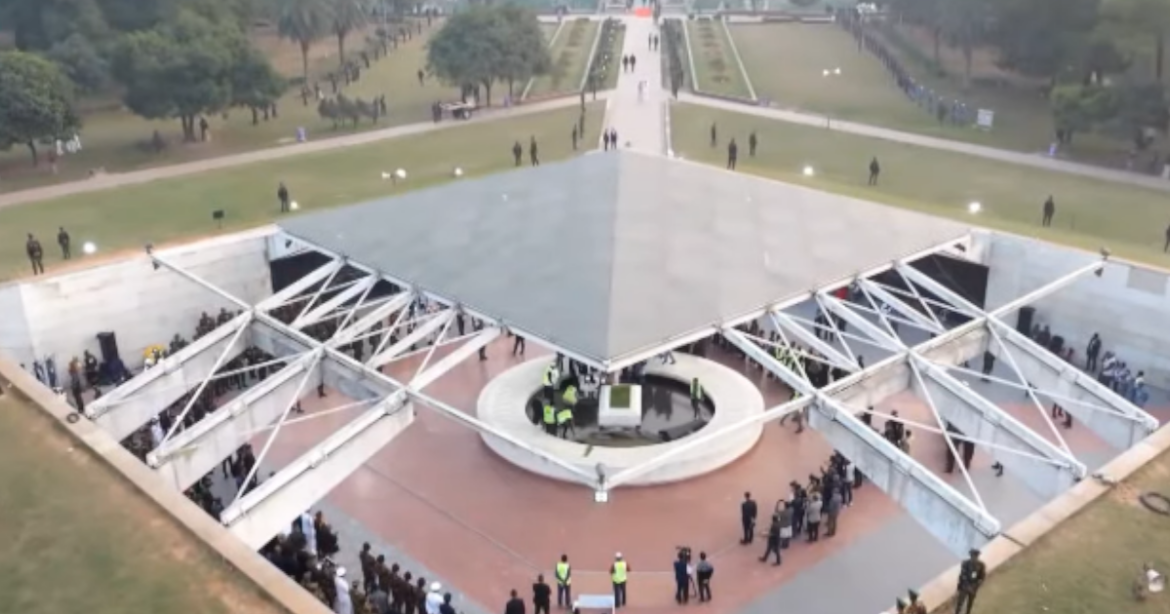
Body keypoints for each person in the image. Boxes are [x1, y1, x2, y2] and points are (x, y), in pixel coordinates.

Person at [953, 549, 986, 614]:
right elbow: (962, 575)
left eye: (975, 556)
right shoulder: (965, 563)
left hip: (973, 586)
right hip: (964, 586)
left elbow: (982, 577)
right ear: (971, 556)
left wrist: (976, 585)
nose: (974, 558)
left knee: (970, 604)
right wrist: (964, 585)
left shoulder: (981, 565)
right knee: (960, 603)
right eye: (972, 556)